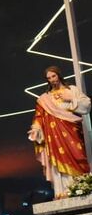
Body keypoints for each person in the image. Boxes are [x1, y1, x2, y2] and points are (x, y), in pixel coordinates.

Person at [28, 66, 91, 198]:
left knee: (77, 155)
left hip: (72, 131)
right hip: (54, 136)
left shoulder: (71, 90)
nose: (52, 80)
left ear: (59, 75)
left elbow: (87, 106)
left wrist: (71, 99)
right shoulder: (45, 99)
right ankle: (61, 190)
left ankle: (81, 186)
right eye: (49, 78)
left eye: (54, 76)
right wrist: (36, 129)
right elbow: (39, 116)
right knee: (57, 160)